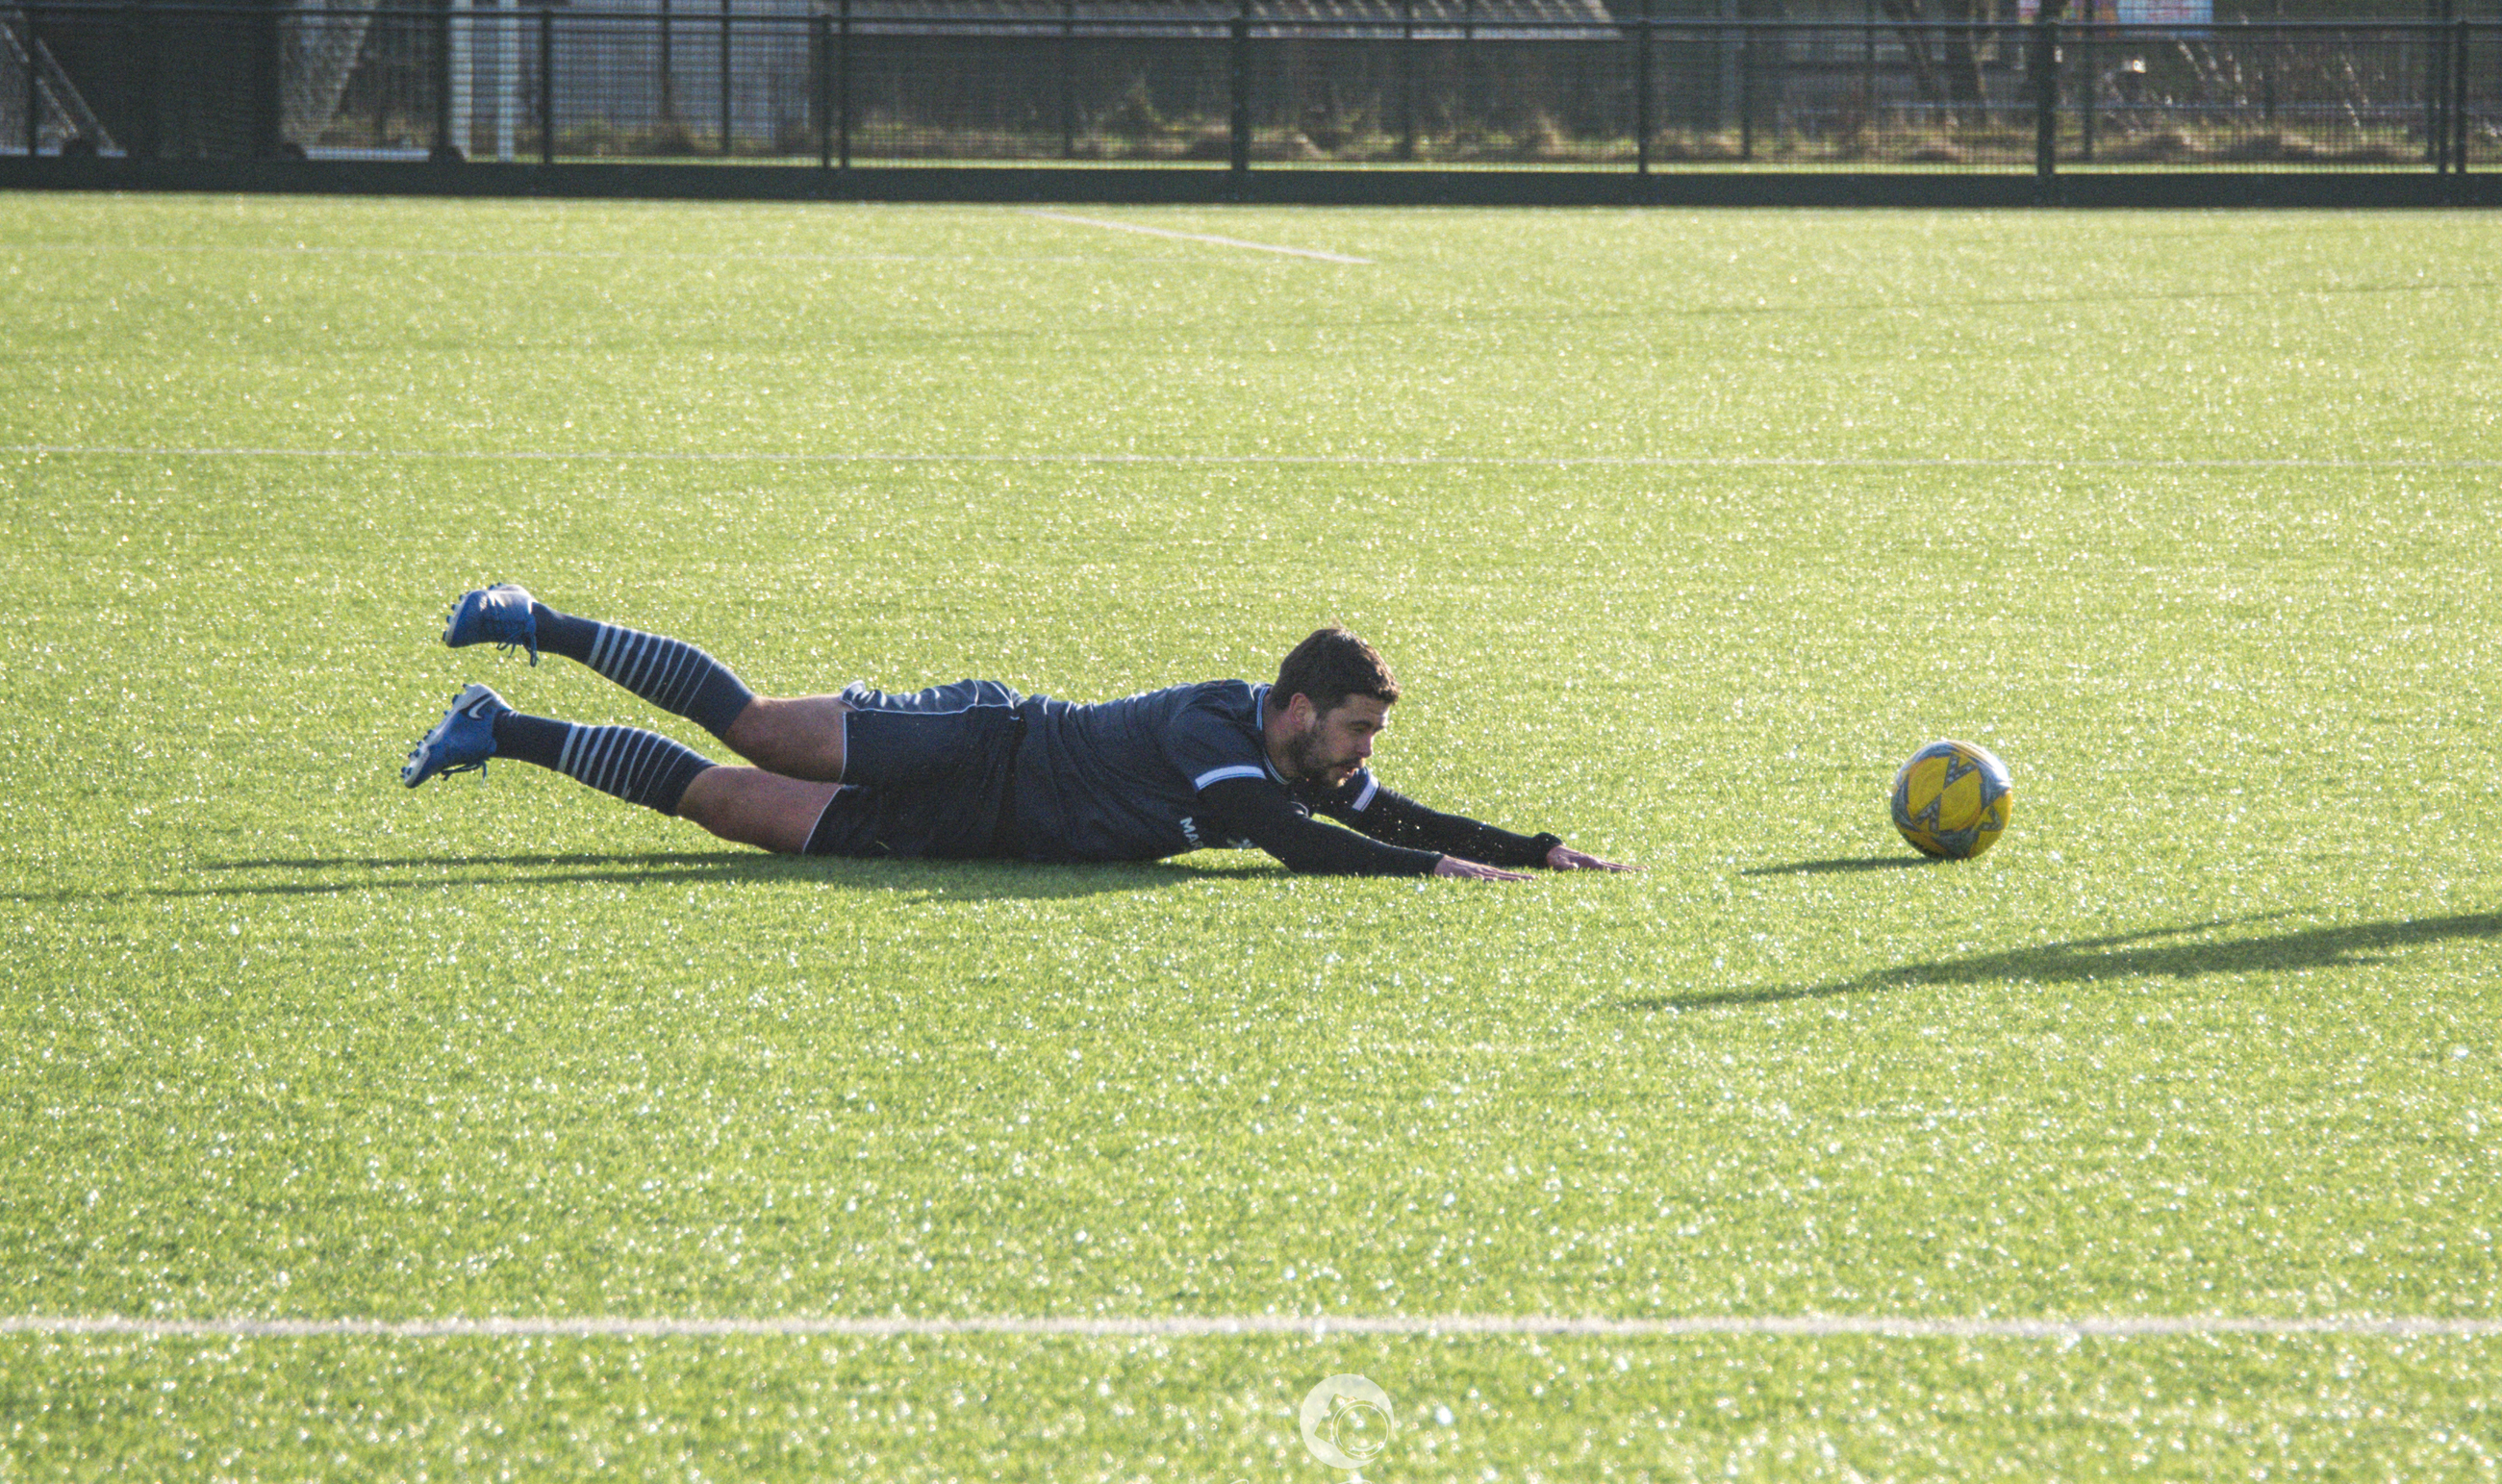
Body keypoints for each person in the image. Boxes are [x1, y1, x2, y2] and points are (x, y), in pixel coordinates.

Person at [401, 585, 1635, 882]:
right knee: (760, 730)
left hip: (970, 832)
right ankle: (534, 620)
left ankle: (501, 730)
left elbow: (1391, 815)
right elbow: (1298, 844)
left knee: (718, 804)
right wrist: (1431, 873)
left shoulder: (1303, 760)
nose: (1365, 755)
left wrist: (1530, 849)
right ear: (1301, 710)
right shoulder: (1220, 731)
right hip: (979, 745)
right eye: (1358, 730)